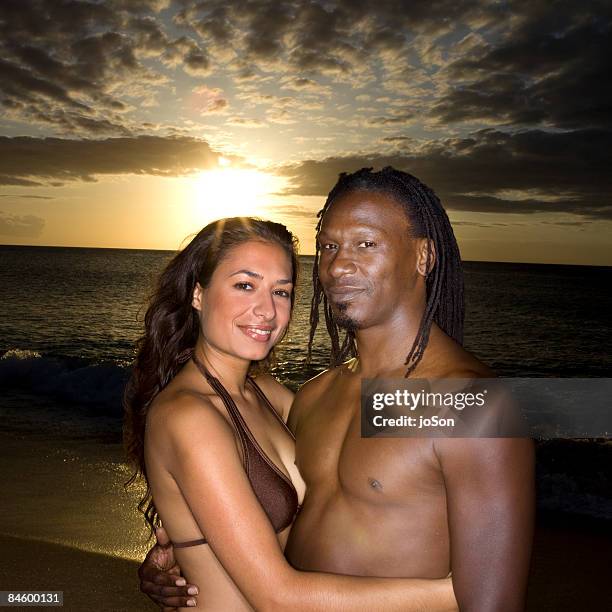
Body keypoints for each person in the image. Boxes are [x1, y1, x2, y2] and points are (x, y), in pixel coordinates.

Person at [140, 168, 535, 611]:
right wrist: (189, 557)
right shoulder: (313, 397)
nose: (339, 265)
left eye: (366, 244)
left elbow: (493, 603)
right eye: (329, 246)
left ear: (423, 256)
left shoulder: (468, 405)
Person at [124, 216, 457, 611]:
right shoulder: (188, 417)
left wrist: (507, 408)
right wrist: (455, 592)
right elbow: (277, 597)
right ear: (199, 293)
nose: (265, 310)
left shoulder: (266, 394)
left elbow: (367, 418)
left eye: (281, 292)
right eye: (245, 285)